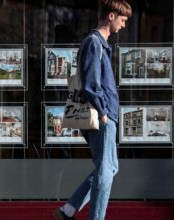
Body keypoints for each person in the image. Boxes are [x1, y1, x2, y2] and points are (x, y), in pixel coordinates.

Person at [53, 1, 132, 220]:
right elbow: (90, 83)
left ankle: (68, 210)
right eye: (123, 20)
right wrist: (104, 112)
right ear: (111, 16)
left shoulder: (100, 44)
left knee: (110, 167)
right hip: (102, 115)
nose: (124, 25)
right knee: (105, 172)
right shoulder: (94, 43)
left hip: (106, 115)